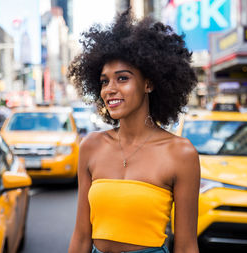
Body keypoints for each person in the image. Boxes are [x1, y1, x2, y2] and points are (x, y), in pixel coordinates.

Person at [67, 9, 200, 253]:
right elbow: (81, 236)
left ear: (148, 83)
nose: (110, 89)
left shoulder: (181, 154)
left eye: (122, 78)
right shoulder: (91, 146)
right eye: (105, 81)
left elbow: (186, 246)